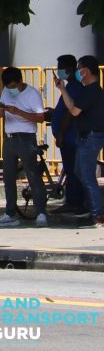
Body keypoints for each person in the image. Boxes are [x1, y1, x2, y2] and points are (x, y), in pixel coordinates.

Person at [0, 67, 48, 227]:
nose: (11, 90)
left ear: (20, 82)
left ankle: (41, 213)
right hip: (9, 138)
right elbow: (0, 116)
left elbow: (40, 118)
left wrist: (18, 112)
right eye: (8, 87)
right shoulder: (6, 91)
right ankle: (10, 213)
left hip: (26, 138)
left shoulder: (32, 93)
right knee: (8, 177)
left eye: (13, 86)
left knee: (33, 176)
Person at [55, 55, 104, 228]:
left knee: (87, 175)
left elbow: (74, 111)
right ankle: (92, 209)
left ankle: (97, 215)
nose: (76, 72)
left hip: (90, 137)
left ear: (86, 71)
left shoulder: (91, 90)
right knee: (80, 172)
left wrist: (62, 91)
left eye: (79, 69)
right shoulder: (89, 90)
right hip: (86, 137)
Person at [49, 55, 85, 215]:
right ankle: (73, 202)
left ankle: (74, 203)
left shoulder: (74, 87)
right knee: (71, 170)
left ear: (69, 69)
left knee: (72, 171)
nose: (59, 71)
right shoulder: (69, 87)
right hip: (69, 137)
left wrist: (61, 134)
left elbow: (70, 113)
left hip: (70, 138)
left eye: (60, 67)